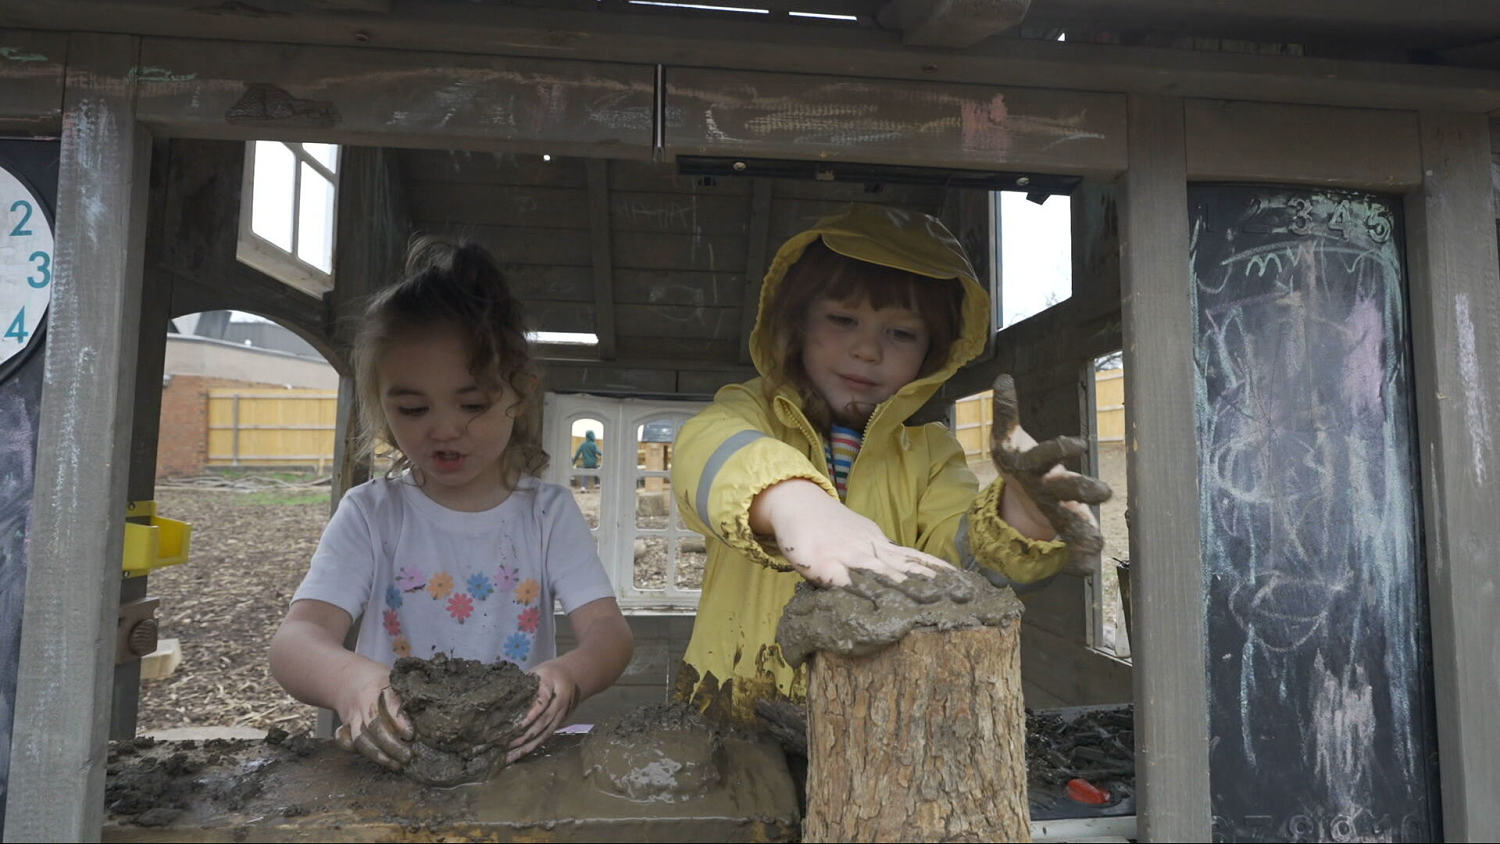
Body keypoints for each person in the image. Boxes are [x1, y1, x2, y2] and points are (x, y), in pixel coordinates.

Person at [670, 204, 1097, 727]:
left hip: (878, 724)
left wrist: (1022, 517)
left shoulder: (932, 454)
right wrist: (792, 500)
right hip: (731, 711)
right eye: (843, 319)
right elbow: (704, 449)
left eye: (901, 333)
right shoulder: (751, 412)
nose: (868, 350)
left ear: (933, 353)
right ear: (797, 323)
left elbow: (958, 562)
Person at [270, 237, 632, 771]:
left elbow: (610, 636)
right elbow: (294, 644)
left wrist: (569, 677)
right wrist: (353, 682)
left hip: (509, 759)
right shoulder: (372, 514)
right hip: (397, 760)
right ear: (381, 404)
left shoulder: (545, 514)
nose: (443, 429)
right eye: (413, 408)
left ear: (521, 394)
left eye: (473, 404)